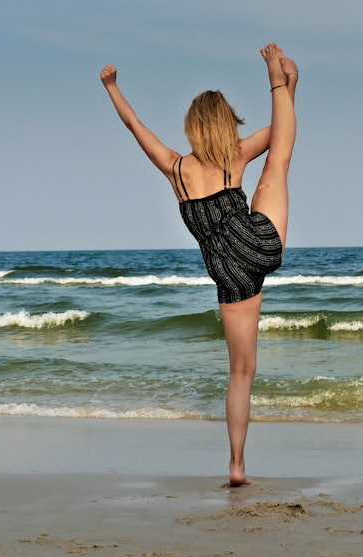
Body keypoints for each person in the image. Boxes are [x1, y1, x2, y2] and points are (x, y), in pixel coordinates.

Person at [101, 43, 297, 486]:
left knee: (241, 372)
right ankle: (278, 79)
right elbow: (281, 136)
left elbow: (135, 126)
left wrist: (112, 87)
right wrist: (284, 84)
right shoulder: (237, 154)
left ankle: (236, 465)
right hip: (260, 244)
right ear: (227, 122)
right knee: (278, 165)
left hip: (229, 275)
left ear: (192, 127)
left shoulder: (176, 169)